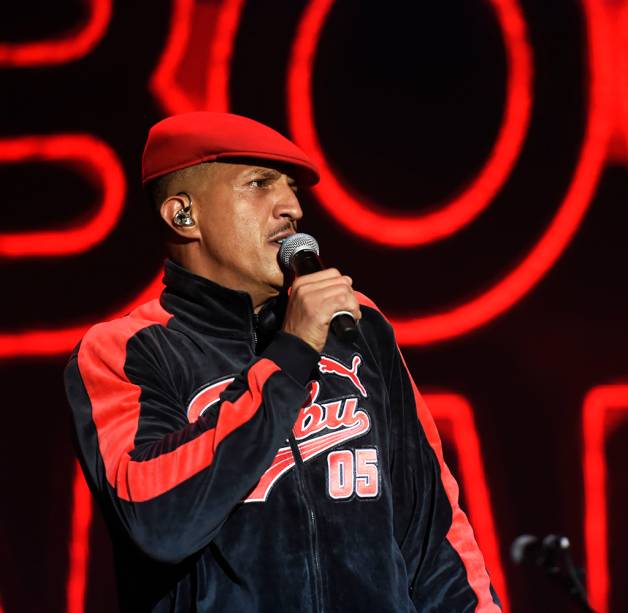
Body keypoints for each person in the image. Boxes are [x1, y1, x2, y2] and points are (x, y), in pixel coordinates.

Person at [63, 112, 501, 612]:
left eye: (291, 189)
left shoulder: (358, 325)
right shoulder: (126, 351)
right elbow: (157, 522)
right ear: (183, 214)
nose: (291, 207)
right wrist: (290, 353)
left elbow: (432, 528)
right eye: (259, 184)